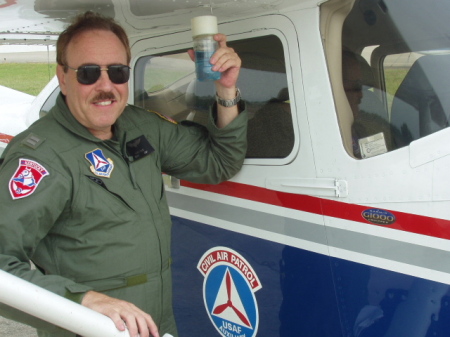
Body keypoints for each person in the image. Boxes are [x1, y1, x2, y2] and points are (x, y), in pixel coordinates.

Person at [0, 11, 247, 337]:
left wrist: (226, 90)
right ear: (62, 76)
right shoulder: (41, 157)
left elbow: (219, 162)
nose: (106, 86)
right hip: (89, 329)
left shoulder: (140, 126)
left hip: (156, 324)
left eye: (118, 72)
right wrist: (83, 300)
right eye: (88, 73)